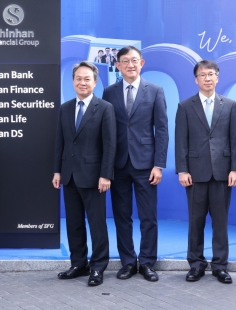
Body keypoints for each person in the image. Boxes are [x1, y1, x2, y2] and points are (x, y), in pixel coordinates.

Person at [102, 46, 168, 282]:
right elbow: (105, 131)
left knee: (148, 217)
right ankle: (128, 262)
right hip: (118, 165)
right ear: (117, 65)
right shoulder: (109, 92)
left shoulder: (156, 91)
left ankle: (148, 262)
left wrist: (159, 164)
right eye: (125, 61)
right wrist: (106, 168)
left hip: (146, 164)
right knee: (122, 216)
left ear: (142, 63)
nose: (130, 65)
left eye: (134, 60)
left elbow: (161, 129)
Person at [175, 60, 236, 284]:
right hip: (194, 173)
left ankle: (220, 266)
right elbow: (180, 142)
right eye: (202, 75)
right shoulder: (185, 106)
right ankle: (195, 265)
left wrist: (235, 168)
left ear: (217, 78)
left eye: (211, 74)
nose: (207, 78)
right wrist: (182, 170)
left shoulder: (230, 105)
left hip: (223, 173)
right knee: (195, 221)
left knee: (220, 222)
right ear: (196, 79)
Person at [53, 61, 116, 286]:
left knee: (97, 223)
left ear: (95, 82)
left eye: (87, 78)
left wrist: (106, 175)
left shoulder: (105, 108)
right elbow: (60, 142)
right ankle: (78, 263)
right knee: (74, 223)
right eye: (78, 78)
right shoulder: (65, 108)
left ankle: (98, 267)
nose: (82, 82)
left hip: (94, 177)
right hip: (69, 175)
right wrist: (57, 171)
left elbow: (110, 145)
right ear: (73, 82)